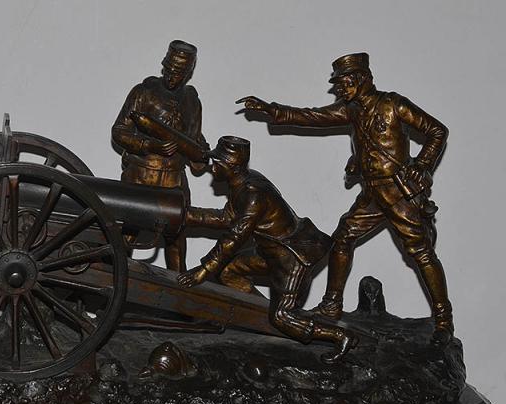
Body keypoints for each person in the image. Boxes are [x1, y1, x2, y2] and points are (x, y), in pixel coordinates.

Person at [238, 52, 453, 345]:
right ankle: (332, 304)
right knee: (342, 238)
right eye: (338, 86)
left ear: (361, 80)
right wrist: (272, 110)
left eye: (343, 84)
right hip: (373, 194)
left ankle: (443, 319)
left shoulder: (393, 104)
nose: (339, 90)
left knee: (421, 253)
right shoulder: (352, 110)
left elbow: (437, 131)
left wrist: (421, 165)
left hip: (399, 192)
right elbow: (314, 116)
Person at [178, 136, 357, 364]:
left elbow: (234, 237)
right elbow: (227, 218)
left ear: (231, 167)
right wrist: (184, 214)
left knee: (282, 316)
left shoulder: (253, 194)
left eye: (217, 163)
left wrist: (203, 270)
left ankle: (341, 336)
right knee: (229, 272)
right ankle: (260, 314)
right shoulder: (243, 184)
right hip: (270, 251)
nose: (212, 169)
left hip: (291, 257)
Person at [112, 40, 209, 271]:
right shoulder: (144, 92)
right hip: (140, 175)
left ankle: (179, 289)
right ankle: (117, 277)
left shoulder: (192, 101)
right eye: (169, 70)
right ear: (163, 65)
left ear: (188, 73)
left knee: (176, 238)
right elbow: (119, 131)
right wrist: (150, 145)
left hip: (174, 179)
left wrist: (202, 153)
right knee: (127, 234)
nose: (172, 77)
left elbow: (194, 138)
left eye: (179, 73)